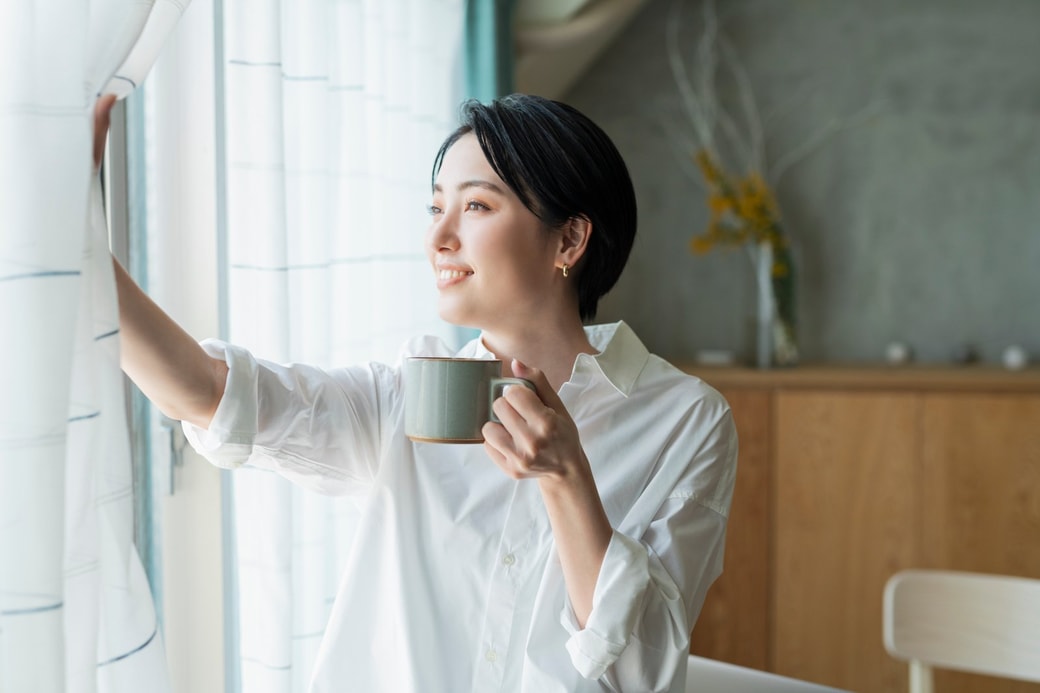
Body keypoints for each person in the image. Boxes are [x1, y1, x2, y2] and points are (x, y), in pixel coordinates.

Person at [103, 92, 738, 692]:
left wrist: (567, 477)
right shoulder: (404, 396)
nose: (438, 238)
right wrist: (76, 244)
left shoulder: (686, 420)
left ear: (569, 240)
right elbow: (211, 395)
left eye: (478, 206)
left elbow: (640, 671)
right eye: (437, 208)